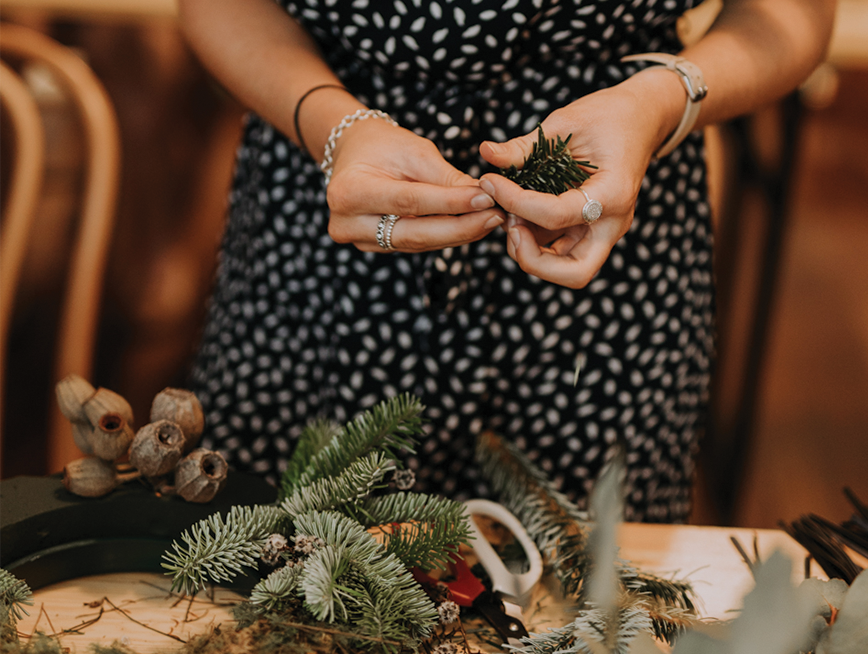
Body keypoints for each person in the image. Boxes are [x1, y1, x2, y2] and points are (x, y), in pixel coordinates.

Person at [179, 0, 834, 521]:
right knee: (279, 568)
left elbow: (798, 12)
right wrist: (331, 126)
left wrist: (661, 100)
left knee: (589, 595)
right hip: (328, 223)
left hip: (607, 242)